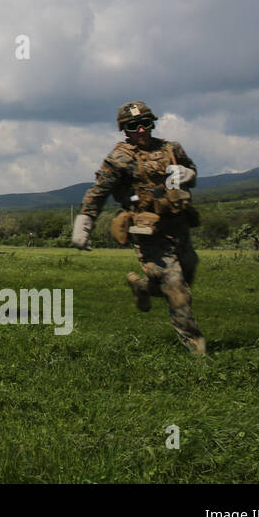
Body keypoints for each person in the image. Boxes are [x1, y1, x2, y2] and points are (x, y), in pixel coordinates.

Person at [72, 100, 206, 355]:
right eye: (134, 126)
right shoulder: (118, 158)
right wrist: (85, 222)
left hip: (178, 225)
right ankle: (197, 350)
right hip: (147, 232)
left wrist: (188, 173)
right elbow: (98, 192)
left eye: (145, 124)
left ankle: (143, 287)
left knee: (187, 273)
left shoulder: (171, 148)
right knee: (176, 289)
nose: (141, 130)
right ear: (125, 129)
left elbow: (193, 170)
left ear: (152, 123)